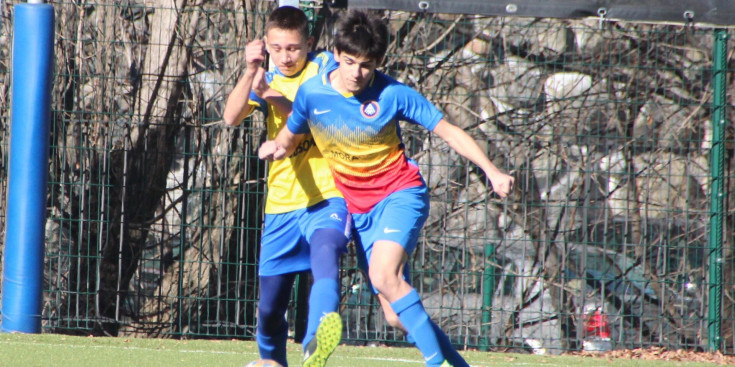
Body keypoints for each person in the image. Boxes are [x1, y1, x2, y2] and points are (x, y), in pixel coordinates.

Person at [259, 9, 514, 367]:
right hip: (359, 211)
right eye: (349, 62)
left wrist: (491, 171)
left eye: (366, 65)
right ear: (335, 54)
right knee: (396, 313)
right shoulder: (312, 94)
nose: (356, 73)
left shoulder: (393, 93)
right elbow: (290, 134)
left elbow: (448, 130)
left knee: (384, 275)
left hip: (400, 195)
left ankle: (435, 363)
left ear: (378, 62)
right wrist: (276, 148)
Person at [223, 6, 349, 367]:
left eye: (293, 48)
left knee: (325, 261)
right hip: (281, 205)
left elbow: (314, 120)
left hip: (327, 197)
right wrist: (250, 73)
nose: (285, 56)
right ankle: (273, 363)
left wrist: (272, 94)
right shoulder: (265, 73)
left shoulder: (325, 68)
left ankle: (314, 346)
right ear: (266, 46)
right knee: (269, 310)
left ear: (309, 43)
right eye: (276, 48)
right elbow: (231, 117)